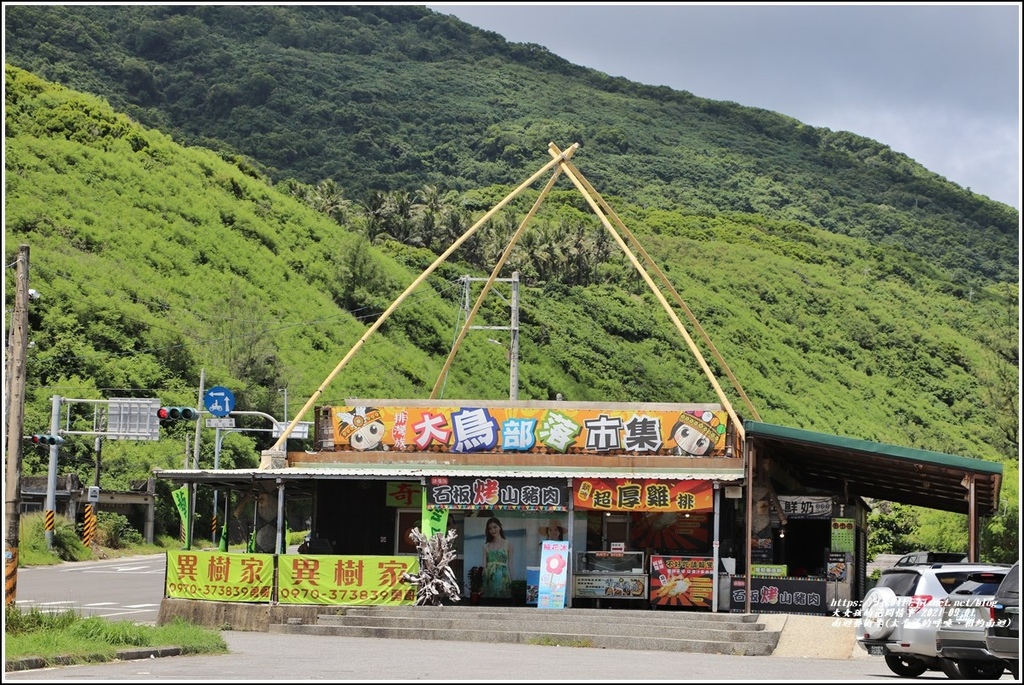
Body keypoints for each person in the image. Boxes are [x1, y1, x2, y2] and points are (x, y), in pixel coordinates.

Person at [483, 517, 512, 598]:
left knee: (503, 599)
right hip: (490, 576)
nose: (493, 530)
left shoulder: (508, 544)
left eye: (495, 527)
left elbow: (511, 564)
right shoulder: (486, 546)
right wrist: (482, 581)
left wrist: (513, 581)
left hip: (503, 576)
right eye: (490, 528)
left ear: (500, 526)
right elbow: (484, 565)